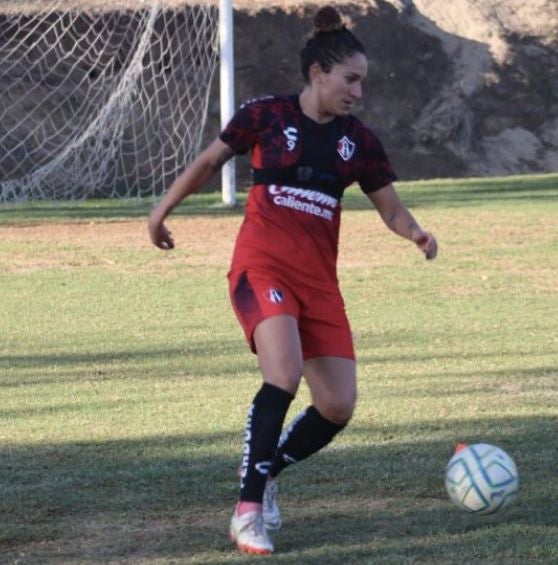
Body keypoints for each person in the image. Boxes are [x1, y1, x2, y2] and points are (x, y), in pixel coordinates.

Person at [147, 5, 437, 555]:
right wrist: (160, 212)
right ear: (318, 74)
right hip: (263, 267)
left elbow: (392, 210)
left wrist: (417, 234)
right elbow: (210, 162)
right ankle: (248, 511)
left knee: (337, 407)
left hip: (319, 285)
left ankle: (268, 470)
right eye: (351, 80)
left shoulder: (359, 142)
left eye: (363, 82)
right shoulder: (266, 116)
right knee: (280, 374)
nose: (358, 92)